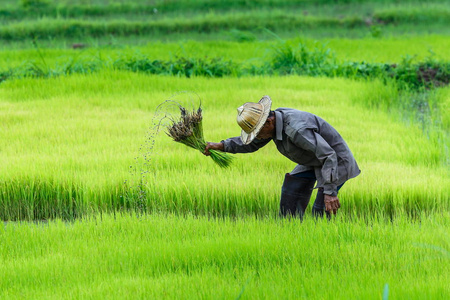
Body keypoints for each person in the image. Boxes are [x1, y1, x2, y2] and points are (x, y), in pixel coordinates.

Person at [204, 96, 361, 219]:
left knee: (321, 209)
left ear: (269, 122)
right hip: (312, 160)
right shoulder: (271, 125)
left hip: (335, 162)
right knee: (291, 190)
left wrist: (330, 192)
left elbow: (328, 156)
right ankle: (290, 232)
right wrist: (221, 146)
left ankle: (324, 241)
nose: (257, 137)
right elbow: (251, 145)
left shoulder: (296, 130)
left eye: (257, 133)